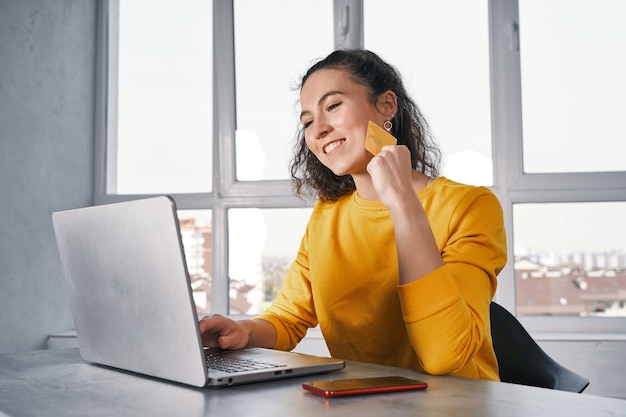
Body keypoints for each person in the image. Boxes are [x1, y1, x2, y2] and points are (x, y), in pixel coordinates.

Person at [199, 49, 507, 381]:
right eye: (307, 121)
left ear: (386, 105)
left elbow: (444, 355)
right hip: (362, 402)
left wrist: (403, 204)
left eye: (332, 106)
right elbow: (288, 319)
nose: (318, 130)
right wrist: (243, 330)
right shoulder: (328, 214)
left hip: (459, 404)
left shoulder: (469, 206)